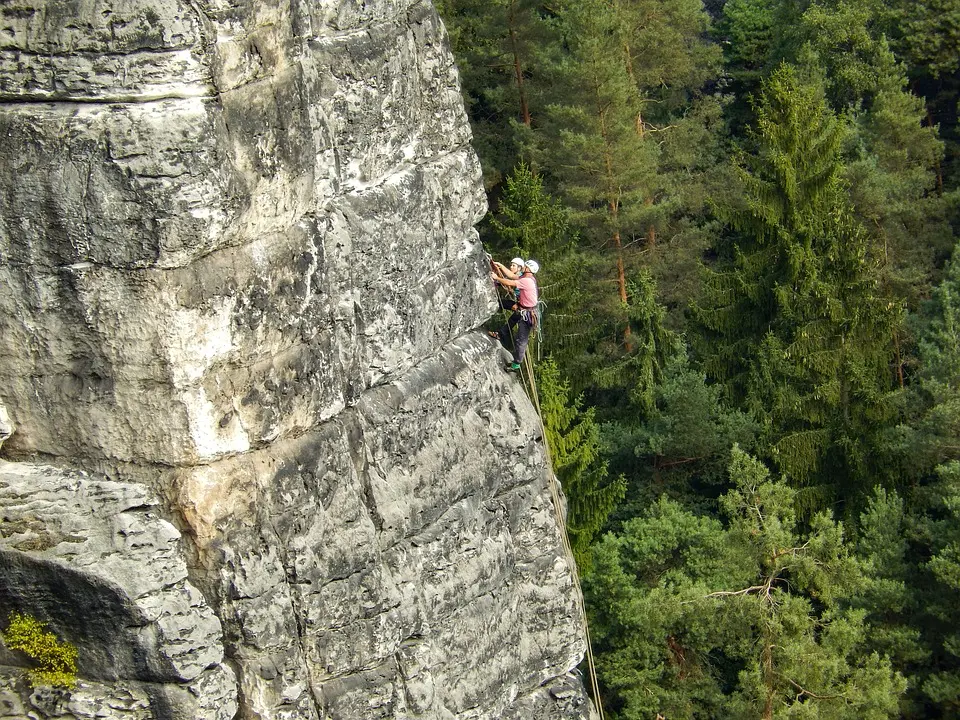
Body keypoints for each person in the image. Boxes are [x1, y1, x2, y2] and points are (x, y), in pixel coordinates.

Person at [489, 259, 540, 372]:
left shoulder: (526, 281)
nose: (523, 268)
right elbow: (512, 275)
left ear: (527, 268)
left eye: (525, 267)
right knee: (519, 338)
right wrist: (500, 265)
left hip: (527, 314)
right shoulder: (528, 278)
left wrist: (496, 278)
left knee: (521, 340)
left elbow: (510, 282)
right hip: (526, 311)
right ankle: (502, 336)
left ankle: (516, 365)